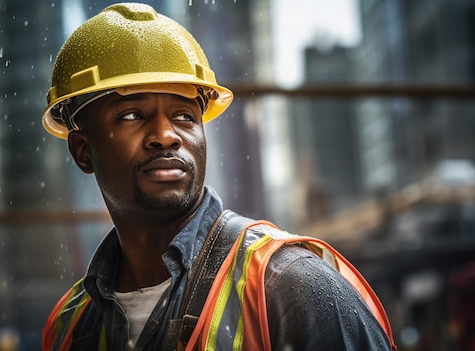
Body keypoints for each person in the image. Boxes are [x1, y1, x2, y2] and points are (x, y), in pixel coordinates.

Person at [41, 3, 396, 351]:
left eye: (184, 116)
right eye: (132, 114)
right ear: (83, 151)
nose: (167, 135)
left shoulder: (290, 285)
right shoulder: (68, 326)